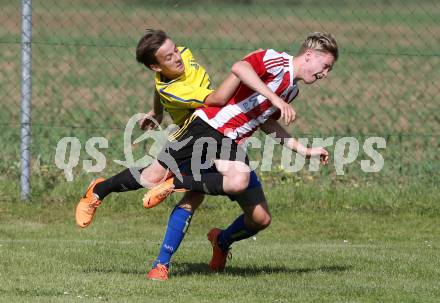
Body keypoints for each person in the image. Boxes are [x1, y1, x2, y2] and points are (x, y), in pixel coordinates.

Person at [141, 32, 338, 275]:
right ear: (309, 56)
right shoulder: (275, 60)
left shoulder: (291, 90)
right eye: (325, 66)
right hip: (212, 130)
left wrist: (304, 150)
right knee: (194, 197)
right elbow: (241, 67)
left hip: (234, 144)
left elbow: (266, 123)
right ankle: (161, 264)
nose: (325, 74)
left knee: (260, 219)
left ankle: (221, 241)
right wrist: (274, 97)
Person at [75, 29, 265, 281]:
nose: (177, 57)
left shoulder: (182, 56)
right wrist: (240, 70)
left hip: (218, 133)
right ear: (155, 65)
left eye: (175, 49)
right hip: (192, 134)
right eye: (168, 56)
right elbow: (217, 99)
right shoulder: (175, 88)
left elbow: (159, 86)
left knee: (224, 206)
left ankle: (194, 251)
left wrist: (157, 112)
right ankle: (100, 191)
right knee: (157, 180)